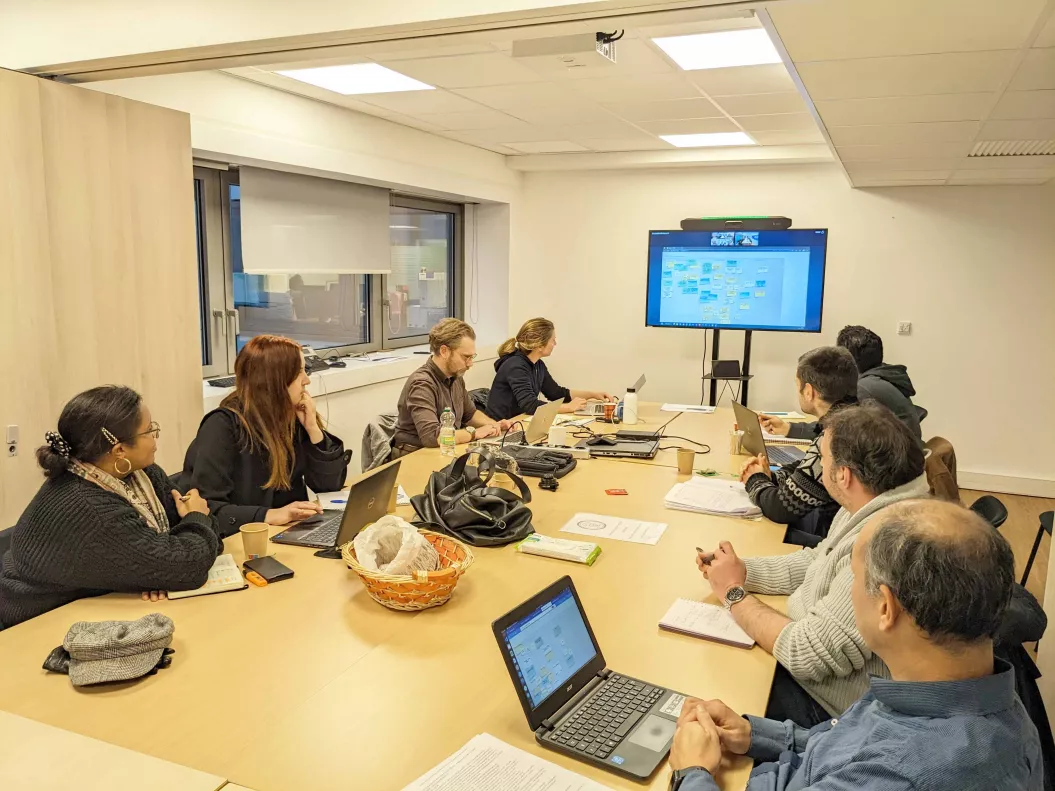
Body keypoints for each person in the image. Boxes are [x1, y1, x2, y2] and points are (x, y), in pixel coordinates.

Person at [669, 499, 1043, 791]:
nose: (845, 591)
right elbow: (841, 746)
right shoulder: (948, 685)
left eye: (853, 578)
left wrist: (693, 770)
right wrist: (756, 736)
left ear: (885, 607)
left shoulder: (903, 772)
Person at [701, 404, 928, 727]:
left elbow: (806, 653)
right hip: (821, 677)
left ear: (843, 475)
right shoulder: (874, 502)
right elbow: (818, 561)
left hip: (835, 712)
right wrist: (743, 571)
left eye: (822, 458)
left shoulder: (887, 541)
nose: (817, 466)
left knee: (706, 684)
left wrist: (733, 593)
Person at [0, 386, 221, 629]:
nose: (156, 438)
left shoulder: (140, 475)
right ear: (119, 450)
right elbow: (190, 565)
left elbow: (207, 544)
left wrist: (159, 569)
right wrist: (196, 517)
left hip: (93, 611)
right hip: (31, 626)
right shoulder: (89, 509)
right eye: (150, 430)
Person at [179, 335, 348, 537]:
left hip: (285, 534)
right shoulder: (222, 426)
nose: (307, 380)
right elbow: (206, 509)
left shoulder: (291, 418)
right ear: (275, 380)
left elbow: (330, 486)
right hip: (243, 541)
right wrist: (270, 515)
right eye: (299, 372)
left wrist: (313, 429)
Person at [740, 346, 858, 540]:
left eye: (798, 386)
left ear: (809, 391)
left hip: (834, 540)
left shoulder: (837, 436)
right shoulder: (856, 416)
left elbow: (781, 508)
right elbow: (805, 470)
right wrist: (771, 476)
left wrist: (754, 479)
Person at [762, 325, 926, 444]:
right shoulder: (882, 377)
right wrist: (789, 428)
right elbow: (833, 425)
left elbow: (836, 430)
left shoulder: (864, 388)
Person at [392, 318, 510, 457]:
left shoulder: (456, 378)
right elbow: (431, 436)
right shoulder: (422, 383)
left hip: (444, 450)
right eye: (466, 357)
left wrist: (493, 426)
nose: (470, 363)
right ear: (444, 351)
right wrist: (474, 433)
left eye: (472, 357)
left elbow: (470, 414)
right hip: (415, 455)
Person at [485, 318, 614, 421]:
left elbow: (556, 393)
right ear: (540, 345)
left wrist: (592, 394)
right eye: (553, 340)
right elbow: (530, 405)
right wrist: (568, 407)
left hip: (518, 422)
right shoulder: (515, 365)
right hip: (501, 427)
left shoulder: (538, 365)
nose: (555, 344)